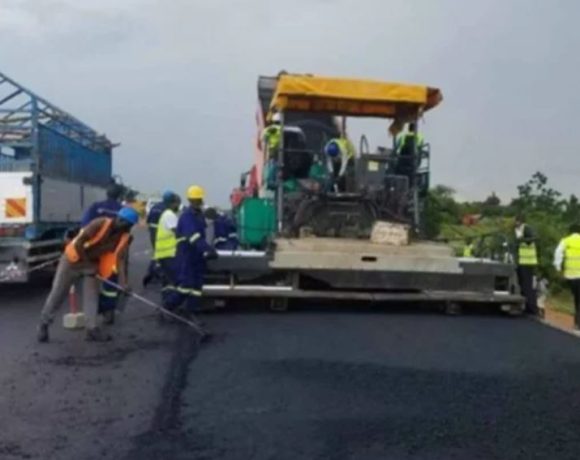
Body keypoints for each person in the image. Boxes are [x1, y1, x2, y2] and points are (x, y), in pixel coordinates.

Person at [37, 207, 139, 343]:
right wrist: (88, 265)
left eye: (130, 226)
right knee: (58, 294)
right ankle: (44, 324)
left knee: (92, 296)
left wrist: (123, 283)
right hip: (72, 262)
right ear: (120, 220)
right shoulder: (99, 223)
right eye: (126, 224)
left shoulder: (124, 237)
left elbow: (119, 260)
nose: (127, 228)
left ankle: (92, 330)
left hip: (92, 265)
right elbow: (79, 243)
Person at [164, 185, 217, 320]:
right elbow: (194, 237)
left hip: (196, 255)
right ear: (193, 200)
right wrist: (208, 249)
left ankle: (191, 311)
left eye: (199, 199)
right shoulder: (188, 216)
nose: (199, 201)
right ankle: (168, 306)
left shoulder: (198, 215)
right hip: (187, 255)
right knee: (186, 285)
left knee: (197, 286)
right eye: (197, 199)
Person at [153, 192, 182, 306]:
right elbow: (178, 233)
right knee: (175, 280)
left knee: (167, 281)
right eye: (177, 203)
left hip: (163, 253)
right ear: (173, 203)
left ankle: (166, 303)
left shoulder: (165, 214)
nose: (178, 206)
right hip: (169, 253)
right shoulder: (170, 215)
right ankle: (169, 305)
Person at [142, 191, 174, 287]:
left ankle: (153, 272)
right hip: (161, 234)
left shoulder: (154, 207)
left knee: (157, 253)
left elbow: (148, 221)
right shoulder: (167, 210)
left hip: (152, 232)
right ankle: (154, 272)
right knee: (162, 254)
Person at [553, 223, 580, 330]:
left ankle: (577, 323)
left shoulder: (566, 241)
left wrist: (558, 269)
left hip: (571, 276)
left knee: (577, 299)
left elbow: (558, 254)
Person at [514, 215, 539, 316]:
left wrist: (522, 240)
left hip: (528, 262)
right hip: (522, 262)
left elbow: (532, 239)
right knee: (523, 285)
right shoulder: (518, 230)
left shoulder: (526, 228)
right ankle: (526, 307)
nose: (515, 223)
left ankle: (532, 309)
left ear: (520, 221)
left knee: (527, 286)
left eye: (516, 221)